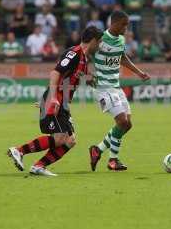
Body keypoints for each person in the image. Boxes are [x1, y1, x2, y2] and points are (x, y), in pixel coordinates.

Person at [7, 26, 103, 176]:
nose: (100, 45)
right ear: (93, 41)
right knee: (60, 138)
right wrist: (51, 98)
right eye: (100, 42)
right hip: (56, 98)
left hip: (63, 102)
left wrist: (96, 81)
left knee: (70, 140)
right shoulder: (74, 53)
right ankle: (19, 151)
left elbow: (84, 77)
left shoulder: (84, 58)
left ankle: (39, 166)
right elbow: (55, 72)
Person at [89, 11, 150, 171]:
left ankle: (98, 149)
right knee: (122, 122)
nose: (126, 28)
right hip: (103, 88)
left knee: (127, 125)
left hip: (116, 87)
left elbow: (122, 57)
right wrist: (88, 73)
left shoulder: (121, 39)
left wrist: (138, 72)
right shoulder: (100, 38)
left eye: (127, 24)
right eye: (124, 24)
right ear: (114, 23)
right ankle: (113, 160)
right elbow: (86, 53)